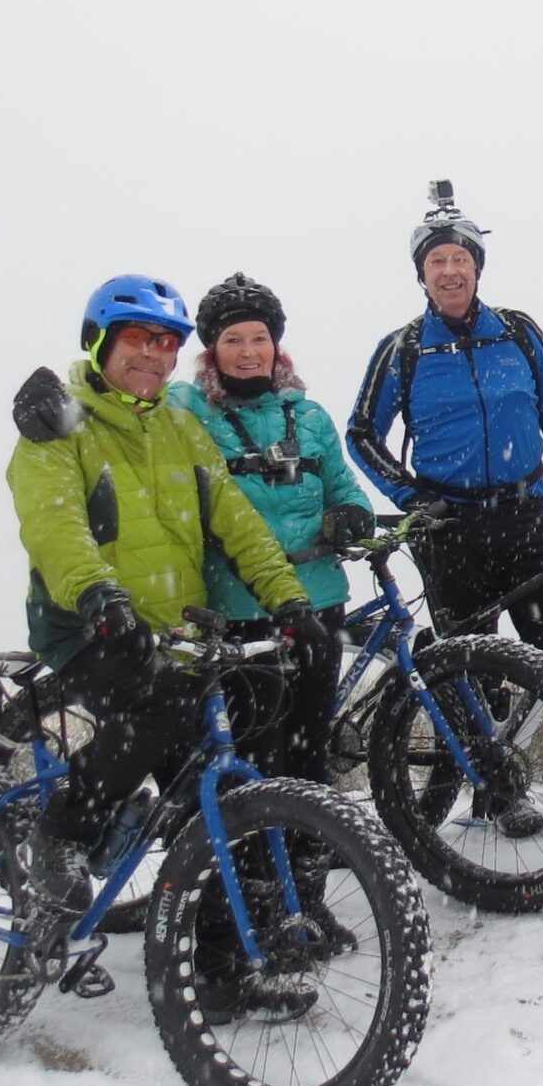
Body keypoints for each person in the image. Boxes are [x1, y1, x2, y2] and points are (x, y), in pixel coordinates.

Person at [6, 274, 338, 990]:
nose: (153, 357)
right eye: (136, 340)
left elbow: (237, 522)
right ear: (98, 343)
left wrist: (290, 603)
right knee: (162, 712)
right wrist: (99, 595)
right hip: (87, 625)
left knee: (205, 799)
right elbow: (54, 524)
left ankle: (218, 972)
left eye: (164, 344)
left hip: (172, 631)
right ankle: (59, 835)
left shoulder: (180, 425)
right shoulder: (60, 426)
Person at [346, 183, 543, 837]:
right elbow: (359, 433)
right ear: (421, 275)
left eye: (459, 259)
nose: (449, 270)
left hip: (525, 517)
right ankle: (500, 794)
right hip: (449, 530)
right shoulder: (404, 350)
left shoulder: (518, 333)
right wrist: (411, 497)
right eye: (436, 262)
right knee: (474, 671)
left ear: (476, 266)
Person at [170, 273, 376, 781]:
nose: (248, 352)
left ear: (276, 345)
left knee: (311, 741)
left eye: (259, 338)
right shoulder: (189, 412)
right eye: (232, 340)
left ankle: (307, 849)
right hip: (241, 609)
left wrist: (353, 514)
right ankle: (260, 854)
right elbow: (137, 400)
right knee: (258, 746)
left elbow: (344, 488)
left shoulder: (310, 417)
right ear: (210, 350)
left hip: (319, 602)